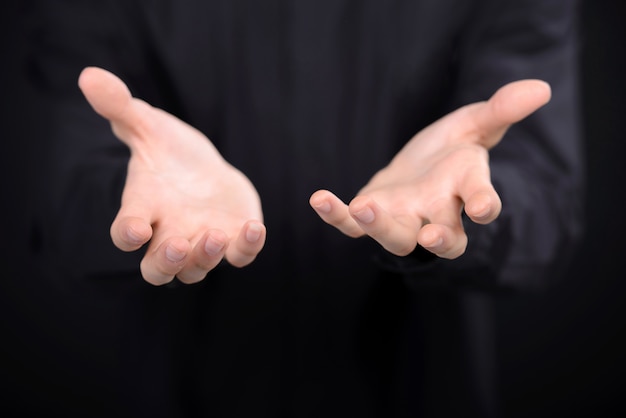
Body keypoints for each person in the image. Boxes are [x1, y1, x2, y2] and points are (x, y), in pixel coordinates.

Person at [8, 0, 582, 417]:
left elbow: (548, 212)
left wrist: (465, 211)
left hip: (421, 387)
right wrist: (136, 209)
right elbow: (62, 205)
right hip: (185, 388)